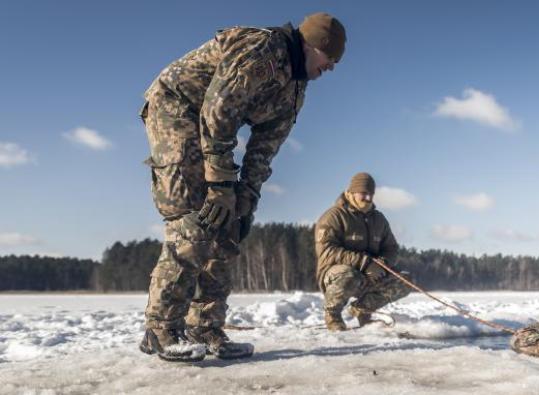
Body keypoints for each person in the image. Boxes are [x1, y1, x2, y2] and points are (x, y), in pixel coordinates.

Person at [138, 13, 346, 362]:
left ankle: (205, 326)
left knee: (226, 226)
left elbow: (265, 147)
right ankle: (161, 329)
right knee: (193, 220)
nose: (331, 68)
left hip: (212, 128)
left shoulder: (295, 90)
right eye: (330, 59)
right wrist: (220, 182)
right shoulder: (262, 49)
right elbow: (217, 112)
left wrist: (246, 197)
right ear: (312, 45)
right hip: (178, 108)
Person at [314, 172, 412, 331]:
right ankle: (332, 316)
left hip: (371, 272)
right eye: (364, 194)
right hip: (337, 273)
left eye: (371, 194)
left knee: (405, 280)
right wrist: (365, 263)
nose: (368, 198)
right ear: (351, 193)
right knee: (350, 275)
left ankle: (363, 310)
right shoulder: (334, 216)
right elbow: (327, 250)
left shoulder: (379, 219)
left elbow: (391, 248)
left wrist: (382, 263)